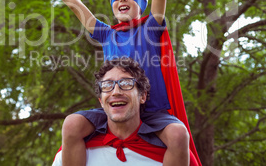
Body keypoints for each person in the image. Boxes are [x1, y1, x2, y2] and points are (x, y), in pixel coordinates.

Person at [32, 0, 197, 166]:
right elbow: (74, 3)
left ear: (140, 3)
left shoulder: (151, 28)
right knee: (73, 124)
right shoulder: (106, 33)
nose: (122, 0)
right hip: (116, 105)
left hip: (151, 112)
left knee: (178, 134)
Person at [52, 58, 187, 165]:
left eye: (126, 83)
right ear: (100, 101)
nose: (116, 92)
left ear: (143, 96)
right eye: (107, 85)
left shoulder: (172, 154)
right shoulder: (71, 153)